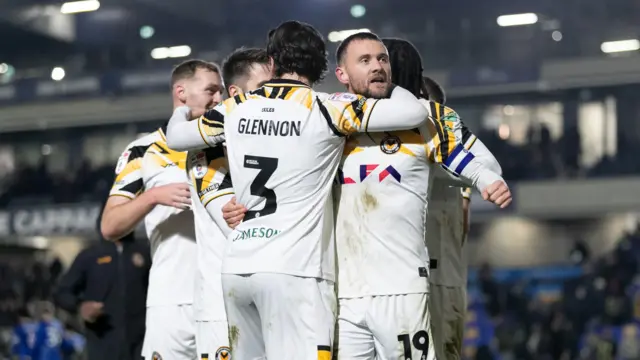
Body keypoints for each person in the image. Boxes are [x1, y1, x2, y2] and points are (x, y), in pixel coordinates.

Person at [165, 20, 431, 360]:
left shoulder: (235, 107)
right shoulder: (327, 107)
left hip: (238, 267)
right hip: (296, 271)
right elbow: (412, 112)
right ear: (321, 67)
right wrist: (392, 84)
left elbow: (177, 138)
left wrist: (181, 111)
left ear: (272, 64)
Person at [383, 37, 502, 360]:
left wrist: (434, 159)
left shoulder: (433, 117)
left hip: (431, 275)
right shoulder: (363, 120)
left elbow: (489, 168)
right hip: (380, 278)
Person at [100, 59, 223, 360]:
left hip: (224, 294)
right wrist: (151, 196)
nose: (219, 99)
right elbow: (110, 226)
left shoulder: (230, 143)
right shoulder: (143, 151)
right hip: (170, 300)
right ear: (181, 93)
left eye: (221, 91)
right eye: (211, 90)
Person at [187, 48, 271, 360]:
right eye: (265, 87)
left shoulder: (279, 143)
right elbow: (235, 225)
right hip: (222, 308)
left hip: (271, 295)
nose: (275, 95)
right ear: (235, 94)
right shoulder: (206, 148)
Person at [54, 234, 150, 360]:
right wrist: (80, 306)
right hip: (101, 341)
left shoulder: (145, 253)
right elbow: (62, 292)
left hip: (141, 343)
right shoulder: (91, 255)